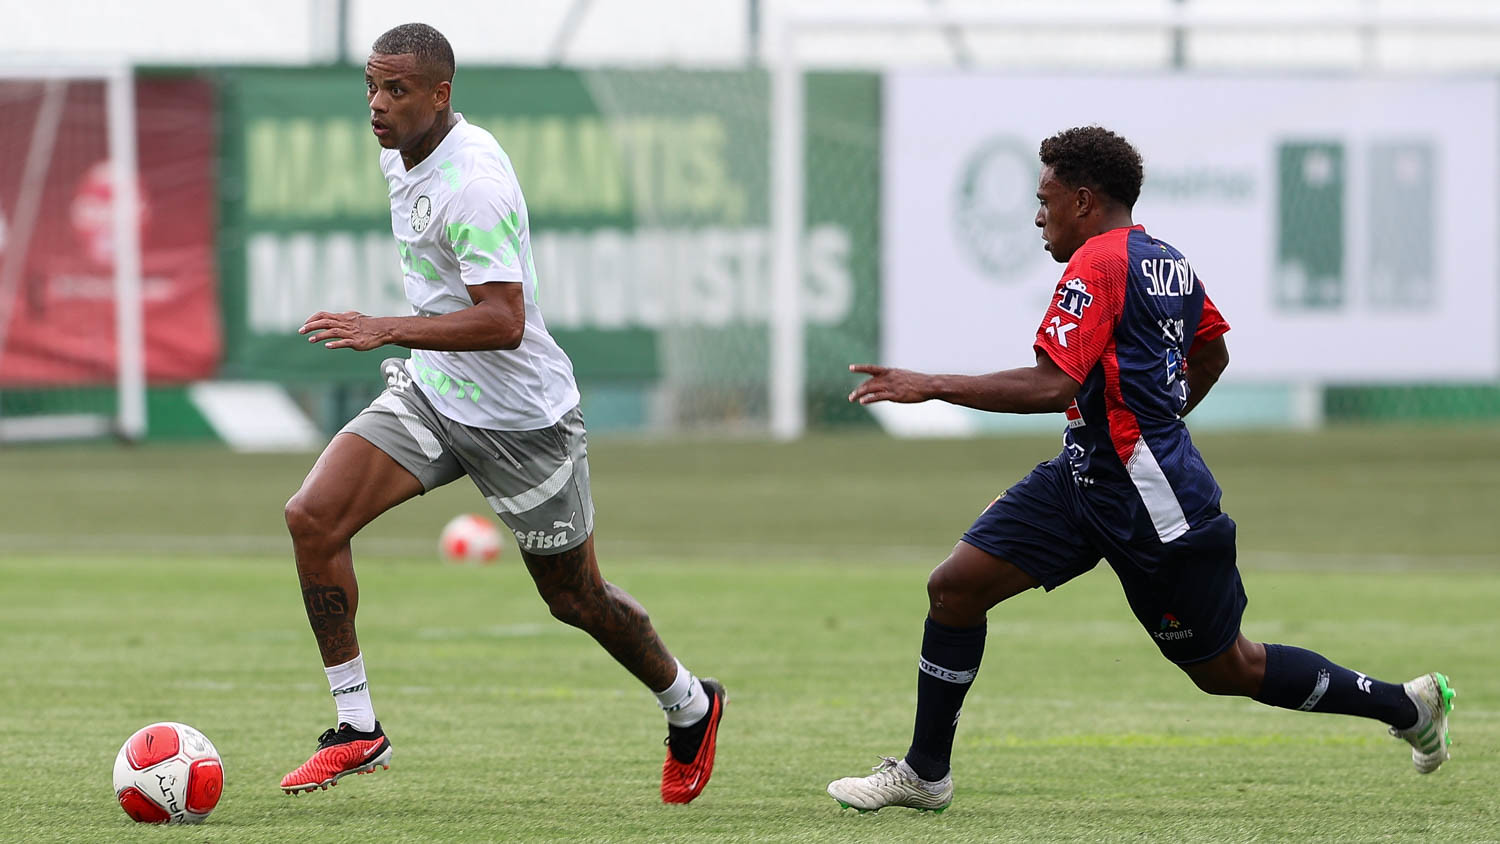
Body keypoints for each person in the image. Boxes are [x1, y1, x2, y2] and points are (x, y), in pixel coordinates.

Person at [826, 126, 1454, 813]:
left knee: (1228, 668)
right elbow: (1211, 353)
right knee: (954, 588)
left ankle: (1405, 706)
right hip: (1081, 477)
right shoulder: (1168, 261)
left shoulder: (1098, 263)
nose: (1038, 215)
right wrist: (1153, 414)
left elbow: (1053, 386)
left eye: (1045, 199)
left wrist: (930, 384)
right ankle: (925, 774)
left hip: (1154, 504)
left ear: (1084, 201)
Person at [278, 23, 725, 804]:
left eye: (395, 90)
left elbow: (504, 320)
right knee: (312, 517)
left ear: (440, 95)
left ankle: (690, 704)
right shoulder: (399, 149)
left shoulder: (475, 185)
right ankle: (357, 727)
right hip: (435, 392)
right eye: (371, 88)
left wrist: (384, 327)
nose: (377, 105)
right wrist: (409, 343)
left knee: (574, 598)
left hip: (523, 421)